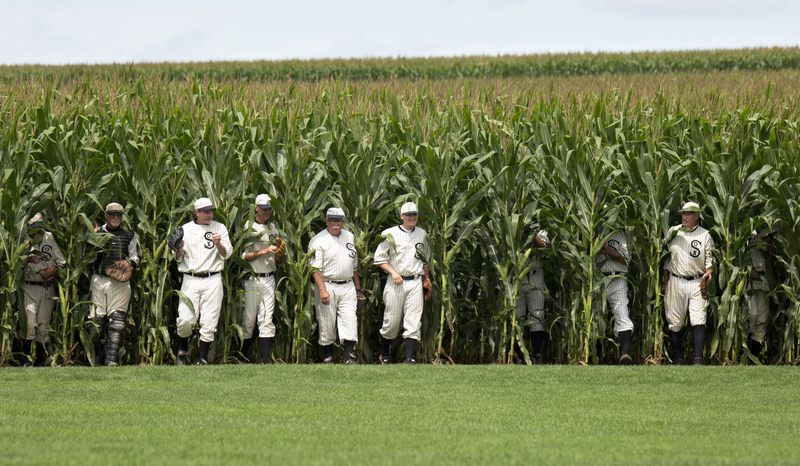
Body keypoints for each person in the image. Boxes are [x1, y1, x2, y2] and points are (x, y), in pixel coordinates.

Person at [169, 197, 233, 365]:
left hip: (213, 278)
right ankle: (183, 350)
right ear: (196, 212)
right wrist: (178, 247)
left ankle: (203, 358)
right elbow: (178, 258)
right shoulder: (185, 229)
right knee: (185, 319)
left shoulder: (219, 228)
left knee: (209, 321)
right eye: (205, 212)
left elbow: (227, 254)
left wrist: (218, 244)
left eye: (211, 211)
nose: (209, 215)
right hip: (191, 279)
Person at [374, 201, 431, 364]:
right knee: (391, 320)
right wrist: (393, 272)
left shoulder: (422, 234)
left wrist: (427, 280)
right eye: (409, 215)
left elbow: (425, 260)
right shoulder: (389, 233)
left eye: (415, 214)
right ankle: (385, 355)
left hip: (415, 281)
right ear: (401, 216)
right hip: (396, 282)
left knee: (413, 320)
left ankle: (409, 358)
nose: (412, 217)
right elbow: (379, 259)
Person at [308, 207, 363, 364]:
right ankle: (329, 357)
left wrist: (358, 288)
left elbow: (353, 266)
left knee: (350, 320)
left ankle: (348, 357)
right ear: (326, 221)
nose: (335, 224)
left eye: (339, 220)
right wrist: (322, 290)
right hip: (327, 285)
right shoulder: (318, 240)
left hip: (347, 285)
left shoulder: (349, 236)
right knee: (326, 321)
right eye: (332, 220)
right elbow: (315, 268)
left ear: (344, 222)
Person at [89, 202, 140, 366]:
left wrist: (128, 265)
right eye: (113, 215)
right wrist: (93, 239)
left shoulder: (129, 235)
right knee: (95, 322)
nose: (116, 218)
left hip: (120, 282)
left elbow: (135, 257)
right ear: (106, 216)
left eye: (119, 215)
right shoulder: (98, 233)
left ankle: (111, 360)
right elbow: (88, 258)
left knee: (117, 321)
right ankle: (95, 360)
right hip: (99, 279)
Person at [662, 202, 714, 366]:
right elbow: (664, 257)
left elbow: (709, 260)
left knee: (699, 319)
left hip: (697, 282)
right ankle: (679, 359)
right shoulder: (674, 232)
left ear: (697, 216)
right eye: (683, 213)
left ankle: (698, 359)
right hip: (676, 280)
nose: (685, 217)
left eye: (689, 214)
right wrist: (665, 282)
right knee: (675, 322)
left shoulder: (705, 235)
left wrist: (709, 274)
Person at [241, 194, 284, 364]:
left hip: (269, 277)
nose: (268, 212)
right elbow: (243, 256)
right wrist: (263, 251)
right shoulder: (249, 227)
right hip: (253, 278)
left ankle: (266, 359)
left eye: (270, 209)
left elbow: (278, 261)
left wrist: (280, 255)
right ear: (256, 209)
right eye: (264, 208)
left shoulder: (273, 228)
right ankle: (243, 357)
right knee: (249, 319)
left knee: (266, 318)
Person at [21, 213, 66, 367]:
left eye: (40, 228)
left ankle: (39, 361)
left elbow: (61, 261)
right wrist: (27, 259)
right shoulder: (23, 238)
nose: (37, 232)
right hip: (29, 286)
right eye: (34, 229)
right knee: (29, 323)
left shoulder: (50, 237)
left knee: (43, 325)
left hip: (47, 287)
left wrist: (54, 270)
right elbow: (13, 261)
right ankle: (26, 358)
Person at [595, 231, 634, 365]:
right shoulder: (593, 231)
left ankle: (624, 354)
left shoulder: (621, 236)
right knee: (596, 319)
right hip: (597, 278)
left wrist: (607, 250)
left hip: (617, 278)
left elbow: (627, 260)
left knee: (622, 315)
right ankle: (597, 357)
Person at [516, 221, 549, 365]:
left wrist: (531, 235)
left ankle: (537, 355)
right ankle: (518, 355)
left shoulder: (537, 226)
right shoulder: (512, 221)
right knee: (517, 318)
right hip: (517, 277)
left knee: (536, 316)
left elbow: (546, 248)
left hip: (535, 275)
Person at [744, 231, 777, 364]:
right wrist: (746, 268)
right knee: (751, 314)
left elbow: (775, 254)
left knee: (762, 318)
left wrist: (767, 239)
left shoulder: (768, 235)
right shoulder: (746, 232)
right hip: (748, 280)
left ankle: (754, 356)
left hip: (764, 278)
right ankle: (744, 351)